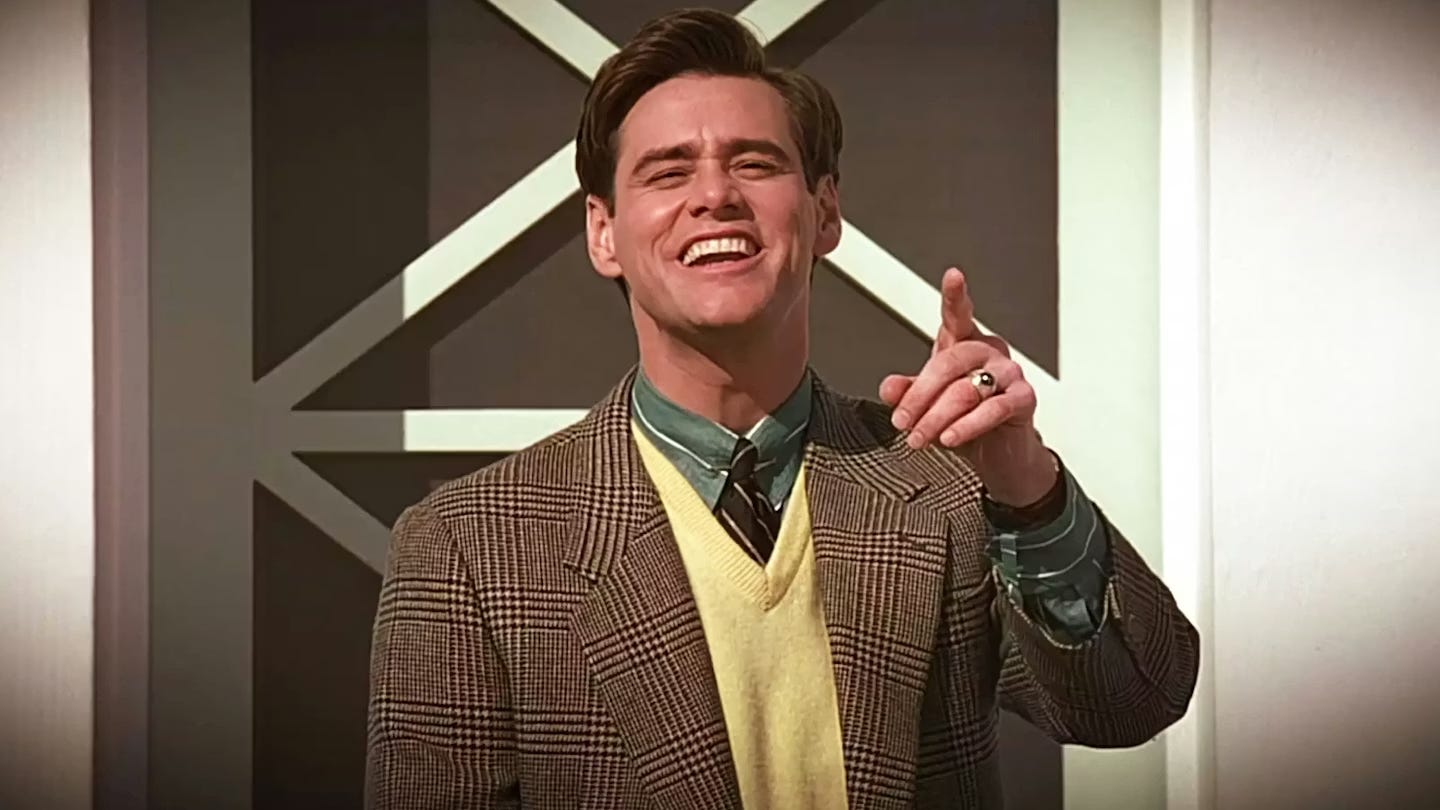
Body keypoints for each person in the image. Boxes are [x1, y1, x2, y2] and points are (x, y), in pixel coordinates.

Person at [364, 8, 1198, 809]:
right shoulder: (467, 549)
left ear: (825, 212)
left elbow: (1131, 703)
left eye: (756, 164)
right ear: (603, 233)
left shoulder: (946, 487)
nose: (715, 195)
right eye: (668, 171)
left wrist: (1027, 491)